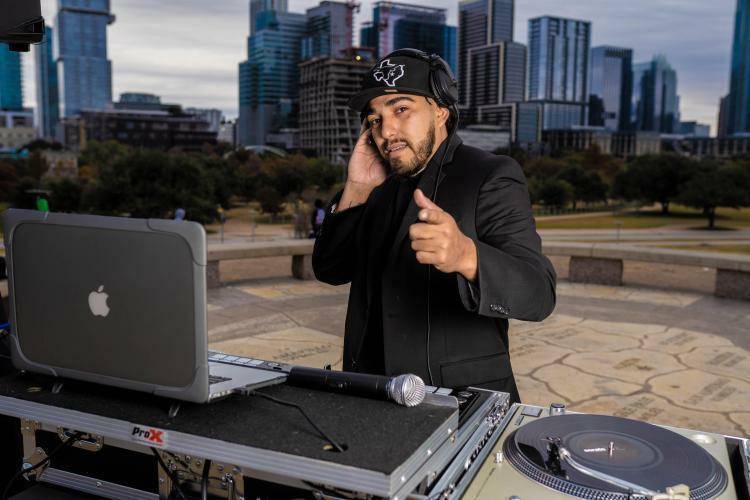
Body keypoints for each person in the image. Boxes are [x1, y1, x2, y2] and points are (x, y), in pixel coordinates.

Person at [312, 49, 556, 403]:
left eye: (401, 109)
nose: (387, 131)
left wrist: (467, 256)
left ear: (440, 110)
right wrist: (356, 190)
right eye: (375, 119)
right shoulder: (373, 184)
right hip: (370, 395)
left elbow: (539, 294)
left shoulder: (491, 174)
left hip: (461, 402)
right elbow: (329, 269)